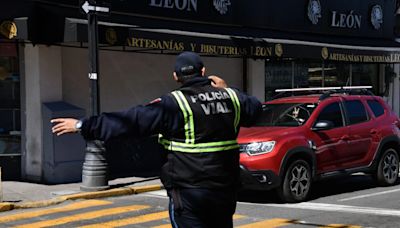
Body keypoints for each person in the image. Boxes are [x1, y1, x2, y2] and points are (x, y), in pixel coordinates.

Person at [51, 51, 262, 228]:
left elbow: (130, 121)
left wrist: (82, 125)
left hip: (189, 195)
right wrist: (228, 90)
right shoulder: (233, 98)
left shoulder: (174, 103)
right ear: (204, 72)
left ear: (176, 76)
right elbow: (256, 109)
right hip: (225, 193)